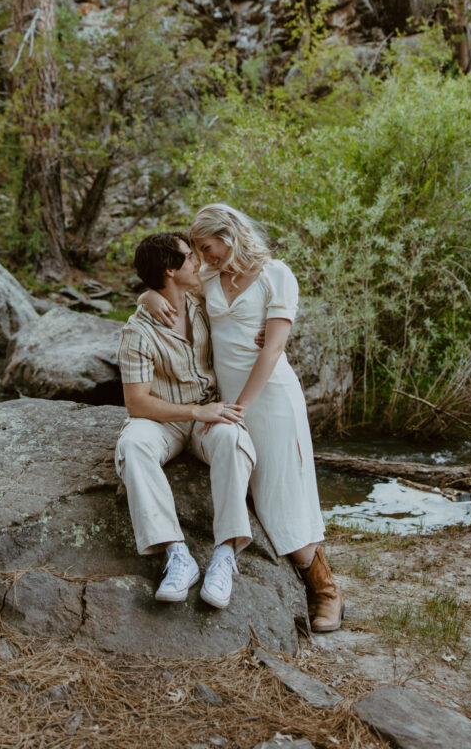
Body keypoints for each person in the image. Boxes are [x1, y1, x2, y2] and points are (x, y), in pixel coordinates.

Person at [141, 204, 344, 633]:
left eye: (206, 247)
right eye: (196, 250)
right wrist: (149, 295)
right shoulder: (210, 279)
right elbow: (174, 291)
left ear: (229, 235)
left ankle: (326, 589)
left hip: (269, 399)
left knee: (278, 495)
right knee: (248, 486)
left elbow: (272, 349)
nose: (202, 256)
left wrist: (243, 408)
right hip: (226, 400)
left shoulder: (277, 276)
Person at [115, 231, 256, 610]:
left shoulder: (199, 298)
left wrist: (261, 330)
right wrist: (196, 412)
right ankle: (178, 555)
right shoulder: (137, 332)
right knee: (132, 444)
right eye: (188, 258)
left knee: (231, 438)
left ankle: (225, 555)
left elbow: (246, 289)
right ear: (169, 271)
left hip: (208, 414)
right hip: (166, 420)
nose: (197, 261)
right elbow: (136, 403)